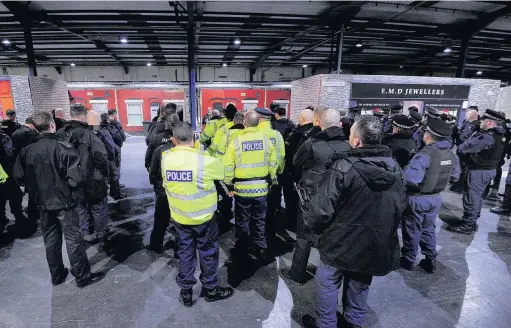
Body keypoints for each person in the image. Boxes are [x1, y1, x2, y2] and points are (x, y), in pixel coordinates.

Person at [301, 116, 406, 328]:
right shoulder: (395, 168)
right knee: (360, 285)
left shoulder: (343, 167)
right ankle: (354, 322)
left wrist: (315, 230)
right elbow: (401, 206)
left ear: (357, 141)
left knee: (328, 285)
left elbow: (321, 211)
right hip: (373, 245)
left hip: (339, 243)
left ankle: (325, 324)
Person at [13, 111, 105, 288]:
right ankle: (82, 276)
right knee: (73, 239)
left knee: (51, 239)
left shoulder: (26, 151)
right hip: (65, 202)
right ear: (52, 125)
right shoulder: (63, 148)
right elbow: (76, 178)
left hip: (42, 202)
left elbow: (19, 177)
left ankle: (57, 275)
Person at [162, 122, 234, 307]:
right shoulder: (204, 160)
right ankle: (211, 289)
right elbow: (223, 173)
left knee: (185, 253)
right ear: (194, 140)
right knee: (208, 253)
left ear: (173, 140)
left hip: (179, 218)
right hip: (204, 220)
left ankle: (186, 291)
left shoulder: (166, 158)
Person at [281, 109, 350, 285]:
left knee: (304, 237)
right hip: (338, 198)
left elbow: (296, 162)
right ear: (339, 124)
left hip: (311, 197)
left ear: (320, 123)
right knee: (333, 236)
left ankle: (297, 273)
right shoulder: (348, 146)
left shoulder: (311, 143)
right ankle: (330, 275)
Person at [400, 118, 460, 273]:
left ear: (428, 135)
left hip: (418, 198)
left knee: (413, 229)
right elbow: (455, 177)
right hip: (436, 198)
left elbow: (412, 179)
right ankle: (430, 258)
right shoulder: (451, 155)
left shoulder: (424, 155)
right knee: (428, 228)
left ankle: (408, 259)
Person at [224, 110, 277, 263]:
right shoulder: (266, 140)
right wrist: (271, 179)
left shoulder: (236, 141)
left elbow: (228, 166)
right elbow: (273, 163)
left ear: (245, 123)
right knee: (259, 219)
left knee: (242, 219)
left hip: (242, 190)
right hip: (261, 189)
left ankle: (242, 248)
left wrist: (229, 184)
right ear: (259, 122)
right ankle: (260, 247)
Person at [56, 104, 110, 249]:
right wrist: (104, 175)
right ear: (82, 116)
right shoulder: (90, 134)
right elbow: (101, 156)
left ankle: (85, 234)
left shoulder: (60, 134)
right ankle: (102, 237)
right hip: (92, 179)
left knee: (80, 208)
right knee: (98, 208)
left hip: (71, 181)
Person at [447, 109, 506, 235]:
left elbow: (463, 149)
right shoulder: (500, 135)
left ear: (489, 122)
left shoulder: (486, 136)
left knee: (471, 197)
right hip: (489, 170)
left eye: (483, 120)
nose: (480, 122)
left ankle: (468, 224)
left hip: (479, 171)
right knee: (477, 197)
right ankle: (472, 220)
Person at [255, 107, 287, 248]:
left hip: (256, 181)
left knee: (256, 211)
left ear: (260, 118)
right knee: (272, 209)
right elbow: (281, 157)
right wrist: (275, 174)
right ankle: (270, 236)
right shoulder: (277, 135)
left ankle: (256, 239)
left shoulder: (254, 134)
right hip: (273, 179)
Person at [147, 119, 179, 254]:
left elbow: (151, 169)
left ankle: (156, 245)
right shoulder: (188, 151)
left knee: (160, 219)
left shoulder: (159, 148)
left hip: (163, 190)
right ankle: (179, 249)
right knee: (179, 222)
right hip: (180, 191)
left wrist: (156, 185)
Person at [284, 109, 314, 230]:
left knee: (292, 200)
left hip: (296, 174)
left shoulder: (297, 133)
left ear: (302, 119)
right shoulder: (319, 132)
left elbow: (289, 153)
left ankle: (292, 223)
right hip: (313, 175)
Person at [0, 128, 32, 237]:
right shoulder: (3, 137)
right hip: (5, 174)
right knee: (14, 198)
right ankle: (18, 218)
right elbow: (10, 154)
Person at [11, 116, 40, 225]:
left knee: (29, 188)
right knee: (34, 189)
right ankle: (34, 212)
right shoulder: (30, 133)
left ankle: (31, 210)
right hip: (30, 164)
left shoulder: (16, 132)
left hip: (20, 163)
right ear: (32, 124)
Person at [99, 113, 124, 200]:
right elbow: (120, 138)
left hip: (101, 156)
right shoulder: (111, 128)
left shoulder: (97, 129)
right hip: (111, 154)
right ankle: (116, 193)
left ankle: (109, 192)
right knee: (114, 173)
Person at [108, 108, 126, 188]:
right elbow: (122, 136)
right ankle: (116, 184)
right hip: (116, 146)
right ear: (114, 114)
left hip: (106, 147)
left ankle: (109, 183)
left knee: (108, 165)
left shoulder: (101, 123)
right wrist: (121, 143)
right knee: (116, 164)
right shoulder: (116, 123)